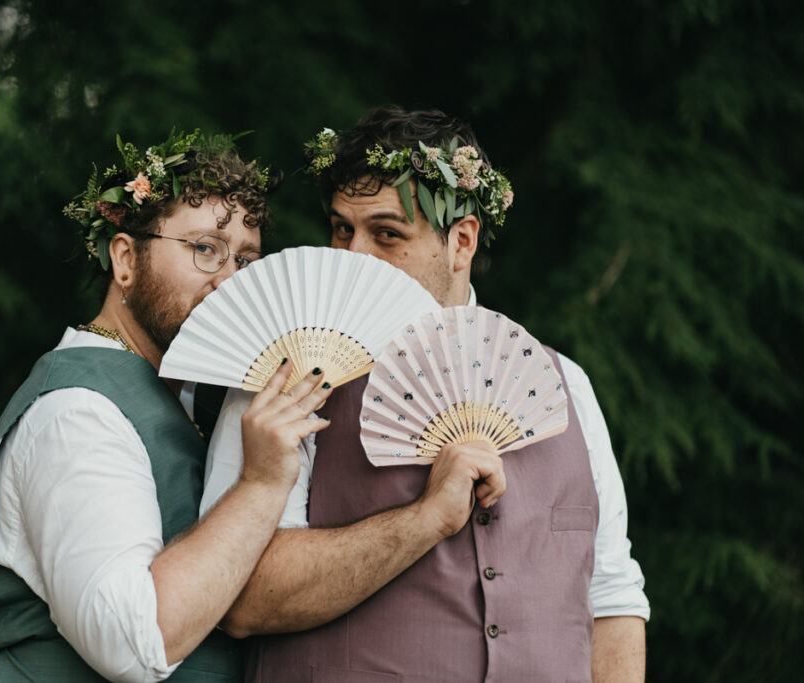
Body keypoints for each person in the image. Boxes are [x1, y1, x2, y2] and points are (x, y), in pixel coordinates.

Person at [202, 107, 650, 682]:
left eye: (386, 234)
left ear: (461, 242)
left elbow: (611, 597)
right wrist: (422, 521)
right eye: (342, 229)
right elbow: (241, 599)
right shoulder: (285, 381)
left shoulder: (566, 385)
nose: (352, 256)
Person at [0, 130, 333, 682]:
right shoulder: (77, 412)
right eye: (205, 249)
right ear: (125, 258)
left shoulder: (185, 399)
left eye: (246, 261)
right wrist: (261, 484)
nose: (231, 282)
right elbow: (132, 643)